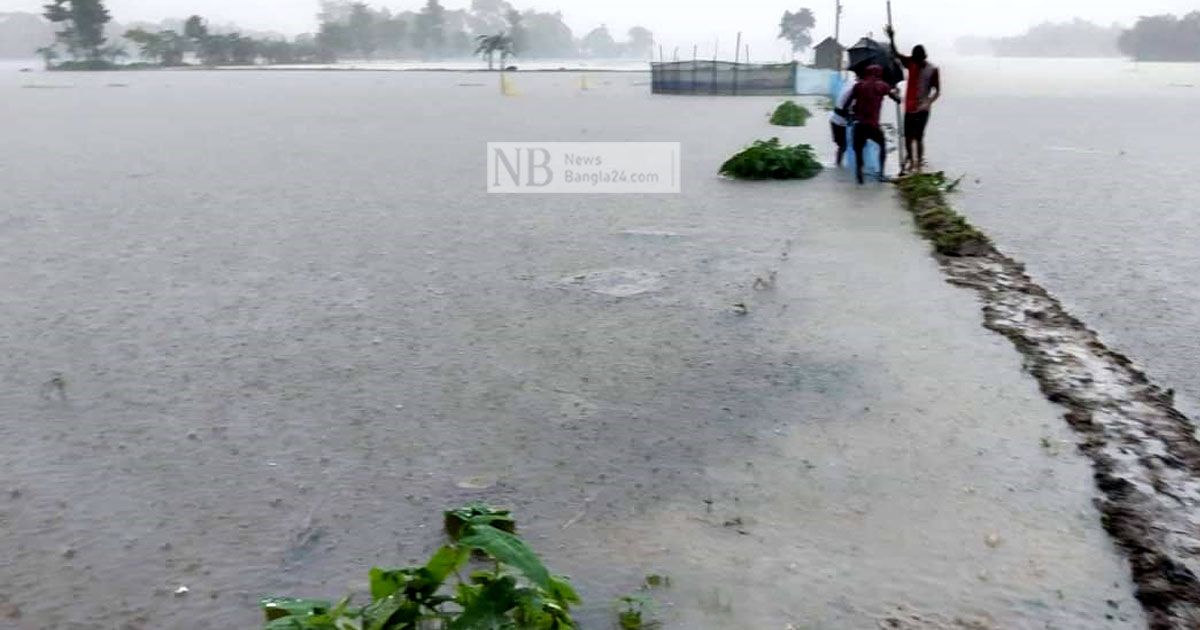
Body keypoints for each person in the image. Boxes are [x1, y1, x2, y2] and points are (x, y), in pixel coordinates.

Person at [886, 25, 941, 172]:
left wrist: (928, 101)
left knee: (919, 136)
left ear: (924, 57)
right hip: (909, 107)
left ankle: (919, 163)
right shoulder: (911, 63)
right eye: (915, 60)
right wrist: (891, 37)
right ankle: (911, 159)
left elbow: (937, 91)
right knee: (908, 137)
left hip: (923, 108)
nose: (917, 63)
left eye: (919, 60)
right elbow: (895, 54)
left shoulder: (932, 70)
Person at [843, 64, 900, 184]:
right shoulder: (882, 86)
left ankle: (859, 175)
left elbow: (845, 105)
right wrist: (897, 96)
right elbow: (895, 98)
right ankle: (881, 174)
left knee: (858, 151)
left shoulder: (858, 86)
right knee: (882, 146)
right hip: (872, 125)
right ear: (879, 74)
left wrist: (850, 115)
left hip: (859, 125)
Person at [829, 72, 858, 167]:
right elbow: (845, 107)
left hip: (836, 120)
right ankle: (838, 165)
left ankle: (838, 166)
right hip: (839, 121)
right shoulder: (855, 88)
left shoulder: (851, 84)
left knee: (843, 146)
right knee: (843, 146)